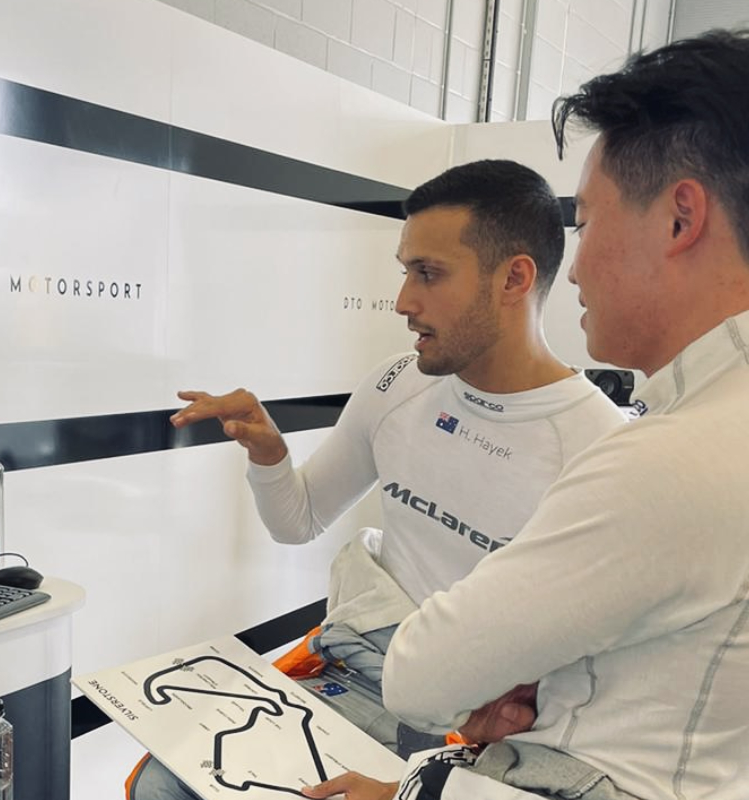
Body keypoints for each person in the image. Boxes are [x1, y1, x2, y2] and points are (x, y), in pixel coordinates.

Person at [304, 28, 749, 800]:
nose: (576, 266)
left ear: (680, 219)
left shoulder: (682, 453)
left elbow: (419, 676)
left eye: (587, 223)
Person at [126, 159, 627, 799]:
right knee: (163, 785)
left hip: (477, 732)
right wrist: (270, 455)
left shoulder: (601, 449)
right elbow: (298, 521)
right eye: (405, 271)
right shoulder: (398, 385)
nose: (403, 302)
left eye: (428, 274)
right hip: (356, 671)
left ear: (514, 278)